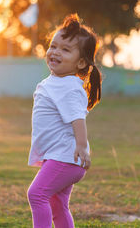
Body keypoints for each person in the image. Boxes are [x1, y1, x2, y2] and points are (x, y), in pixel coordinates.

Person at [27, 13, 102, 228]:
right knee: (57, 203)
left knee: (37, 193)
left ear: (80, 62)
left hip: (66, 156)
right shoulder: (57, 82)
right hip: (60, 156)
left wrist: (81, 146)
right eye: (54, 46)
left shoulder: (68, 86)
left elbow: (77, 117)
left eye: (65, 49)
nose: (55, 52)